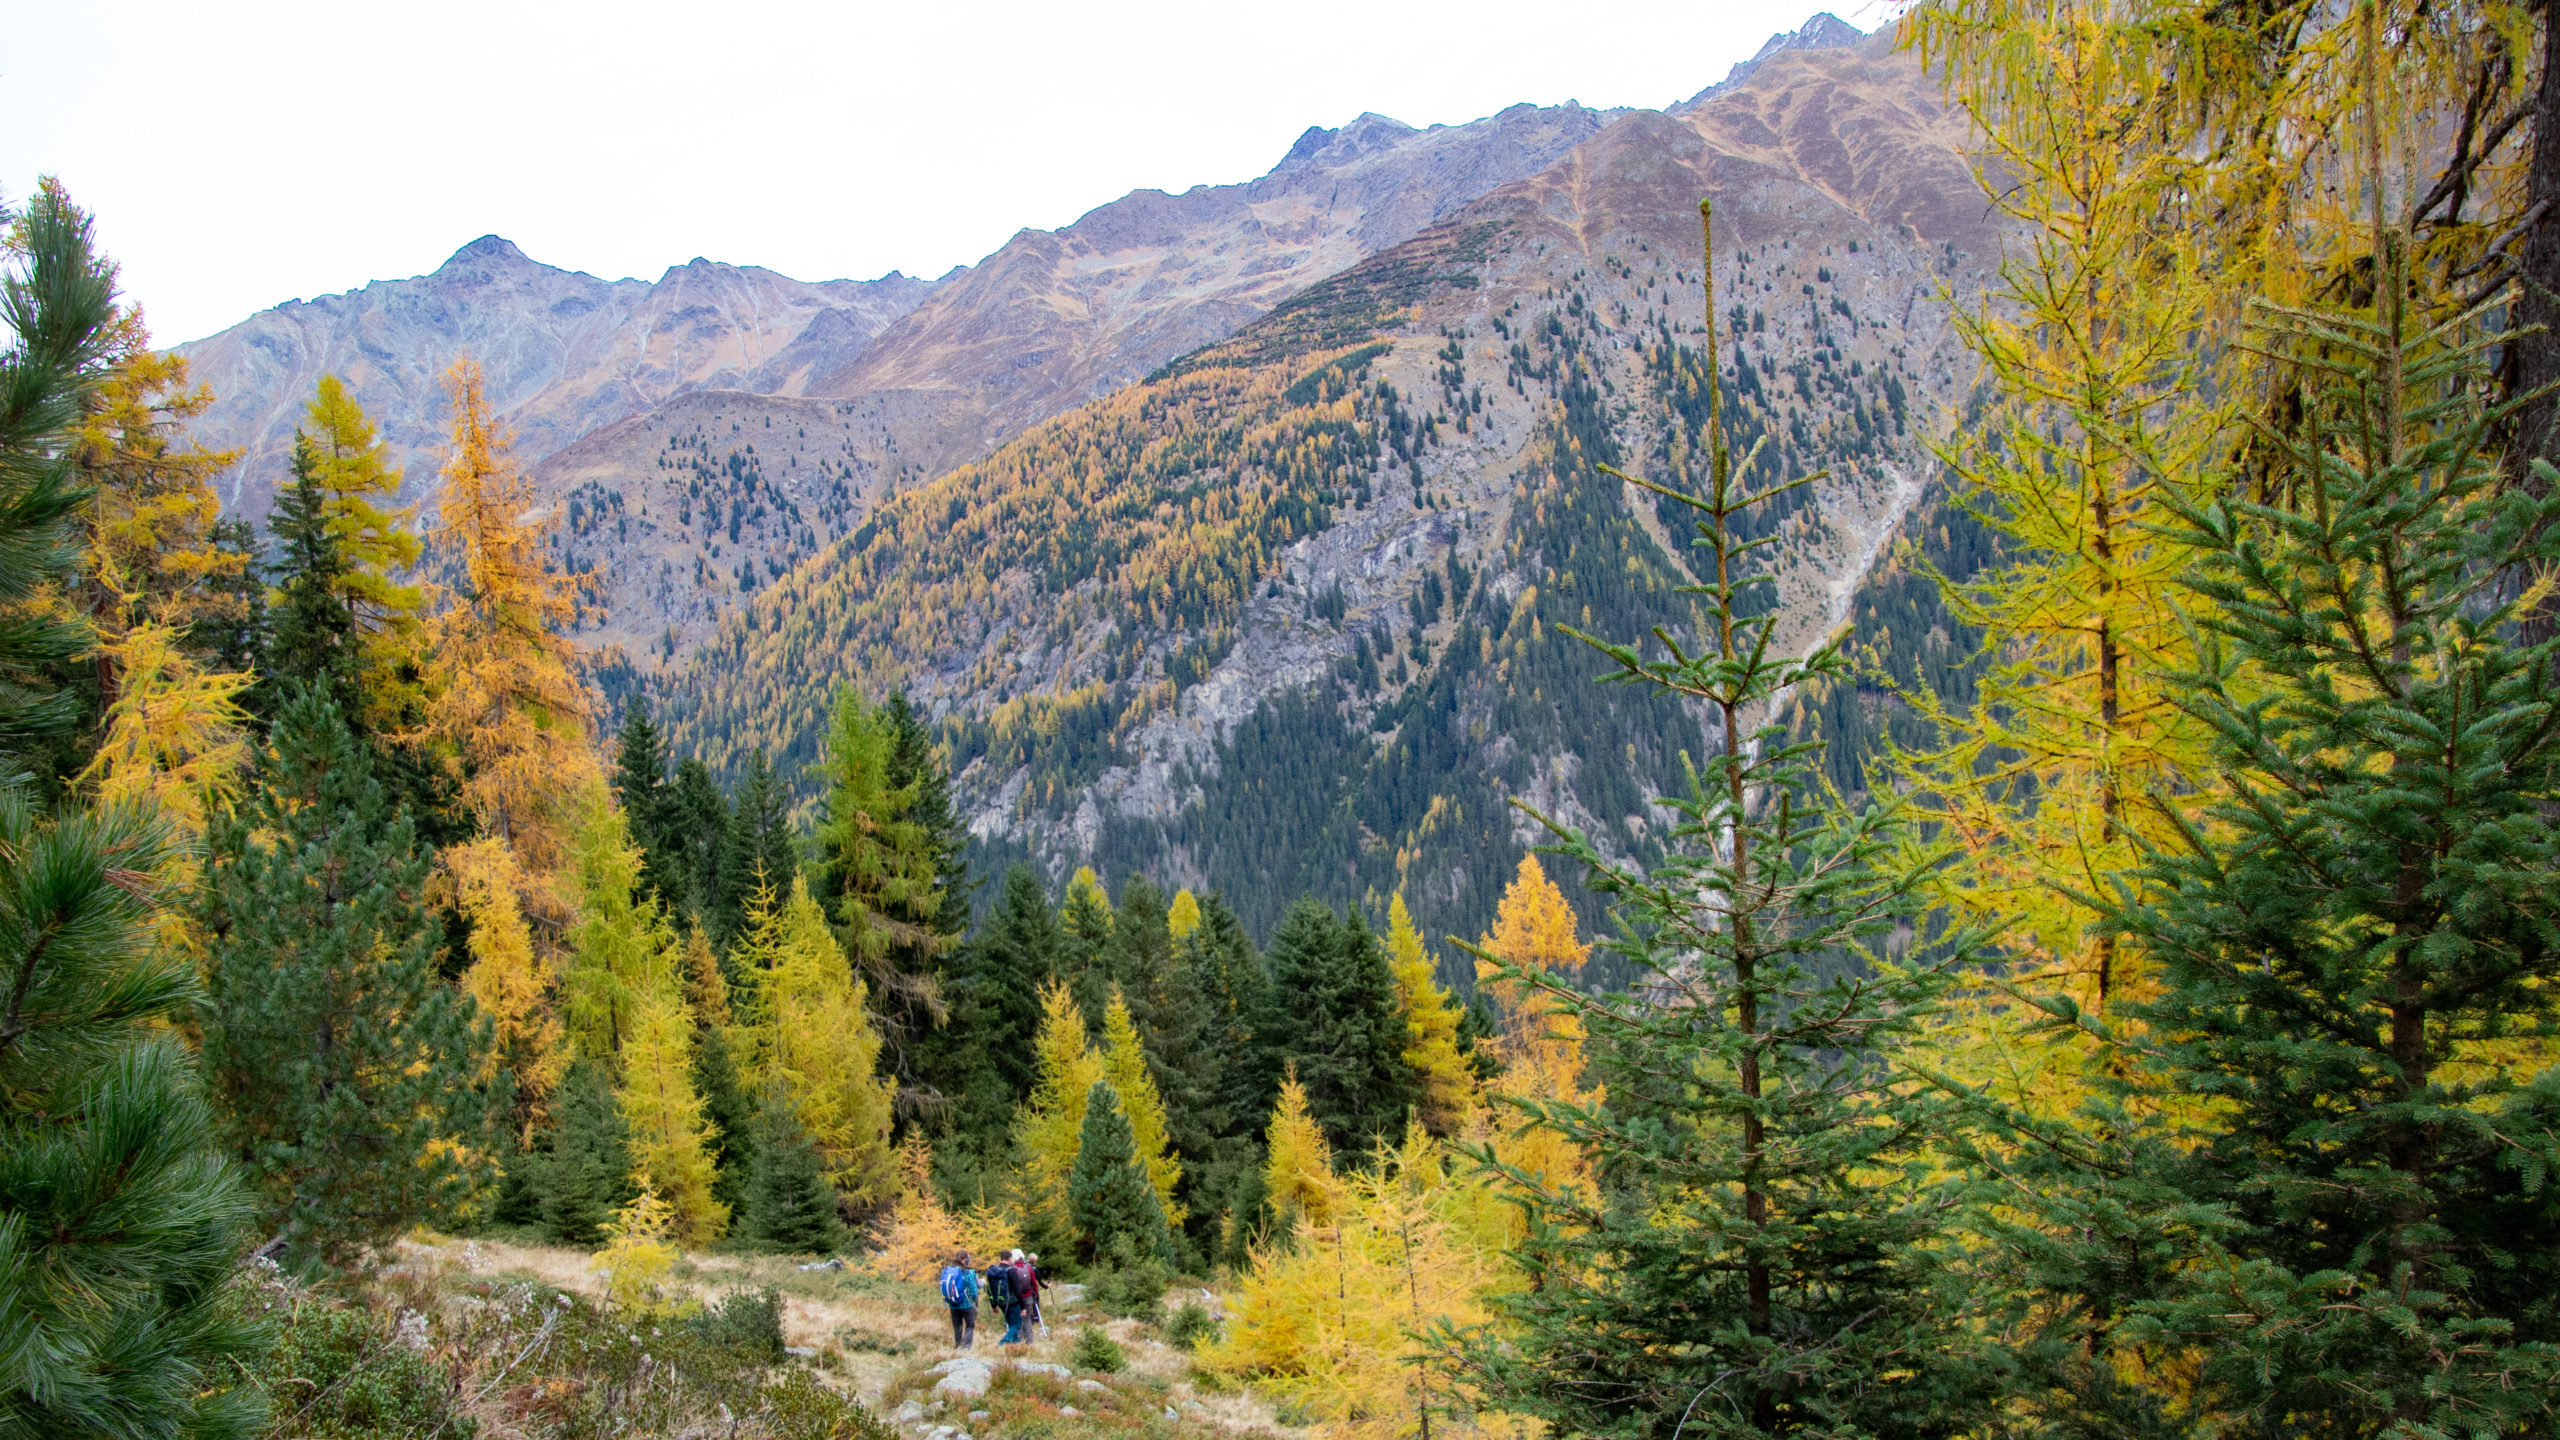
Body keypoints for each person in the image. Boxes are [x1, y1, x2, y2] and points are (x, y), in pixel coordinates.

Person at [939, 1249, 981, 1348]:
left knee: (957, 1326)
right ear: (966, 1260)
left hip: (953, 1304)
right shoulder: (968, 1273)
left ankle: (957, 1345)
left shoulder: (949, 1271)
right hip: (967, 1304)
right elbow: (974, 1291)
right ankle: (965, 1348)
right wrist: (974, 1301)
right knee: (970, 1325)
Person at [987, 1250, 1028, 1345]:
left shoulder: (994, 1271)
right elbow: (1018, 1290)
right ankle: (1002, 1342)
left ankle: (1013, 1346)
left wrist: (993, 1305)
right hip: (1012, 1302)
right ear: (1010, 1258)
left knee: (1010, 1323)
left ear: (1001, 1258)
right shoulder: (1011, 1271)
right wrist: (1023, 1307)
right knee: (1017, 1324)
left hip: (1000, 1302)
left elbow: (990, 1289)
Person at [1019, 1251, 1045, 1338]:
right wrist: (1045, 1287)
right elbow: (1037, 1282)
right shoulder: (1033, 1269)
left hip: (1022, 1292)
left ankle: (1024, 1329)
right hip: (1030, 1292)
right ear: (1034, 1260)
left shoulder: (1023, 1266)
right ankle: (1035, 1318)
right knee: (1035, 1304)